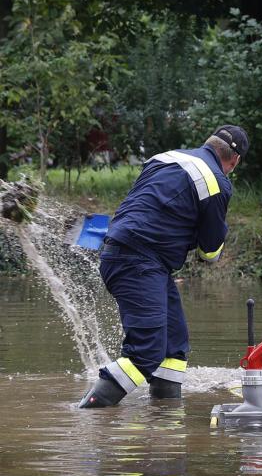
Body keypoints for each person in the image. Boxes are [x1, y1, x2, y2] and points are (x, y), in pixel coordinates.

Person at [79, 125, 249, 408]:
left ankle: (166, 427)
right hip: (139, 261)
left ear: (208, 143)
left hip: (127, 253)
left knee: (174, 346)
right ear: (235, 160)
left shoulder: (165, 158)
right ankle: (85, 420)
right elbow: (210, 253)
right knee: (145, 353)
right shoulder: (216, 182)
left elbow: (148, 206)